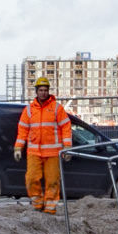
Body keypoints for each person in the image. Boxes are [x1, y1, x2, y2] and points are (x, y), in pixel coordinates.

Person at [14, 74, 73, 213]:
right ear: (36, 91)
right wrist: (18, 148)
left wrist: (67, 147)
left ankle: (50, 208)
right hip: (34, 152)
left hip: (53, 153)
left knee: (52, 181)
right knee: (31, 179)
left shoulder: (57, 108)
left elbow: (66, 127)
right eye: (40, 90)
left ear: (49, 91)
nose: (43, 92)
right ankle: (37, 204)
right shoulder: (29, 110)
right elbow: (22, 130)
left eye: (45, 90)